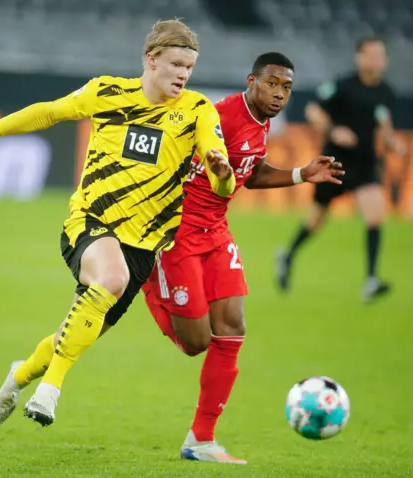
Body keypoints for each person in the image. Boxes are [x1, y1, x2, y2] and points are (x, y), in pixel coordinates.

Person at [0, 19, 235, 430]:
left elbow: (222, 176)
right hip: (90, 223)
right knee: (110, 278)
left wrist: (221, 172)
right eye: (176, 65)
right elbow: (48, 113)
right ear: (151, 60)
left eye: (189, 67)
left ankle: (19, 377)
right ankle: (51, 389)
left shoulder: (197, 110)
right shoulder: (108, 92)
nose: (184, 75)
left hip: (144, 245)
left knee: (76, 332)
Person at [141, 52, 344, 464]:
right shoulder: (219, 116)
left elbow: (249, 173)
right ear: (252, 81)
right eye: (272, 84)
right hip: (178, 233)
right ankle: (149, 280)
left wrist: (300, 174)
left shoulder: (261, 123)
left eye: (286, 87)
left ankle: (201, 439)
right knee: (196, 344)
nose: (279, 93)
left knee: (232, 327)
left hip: (215, 231)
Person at [276, 37, 406, 303]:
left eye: (380, 55)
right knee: (315, 220)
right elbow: (313, 110)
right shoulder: (342, 86)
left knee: (374, 216)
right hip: (334, 164)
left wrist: (393, 143)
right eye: (370, 55)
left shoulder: (387, 93)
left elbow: (384, 127)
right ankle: (287, 255)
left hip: (366, 164)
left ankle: (370, 280)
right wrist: (334, 131)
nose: (376, 61)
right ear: (359, 57)